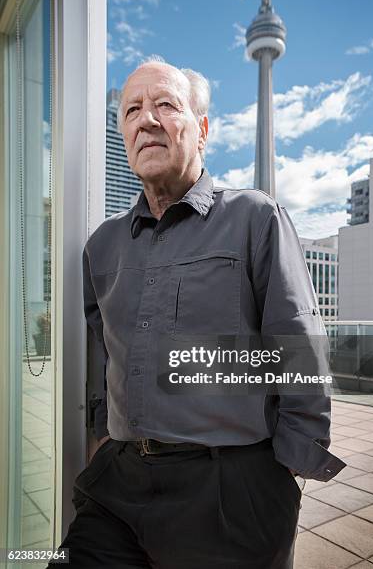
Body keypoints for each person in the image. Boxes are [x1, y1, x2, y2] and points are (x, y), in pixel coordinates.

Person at [50, 56, 346, 568]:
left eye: (165, 105)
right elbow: (102, 351)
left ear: (202, 129)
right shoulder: (102, 246)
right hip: (119, 485)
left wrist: (279, 482)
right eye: (132, 111)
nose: (147, 119)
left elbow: (298, 350)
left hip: (229, 495)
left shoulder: (256, 218)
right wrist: (101, 435)